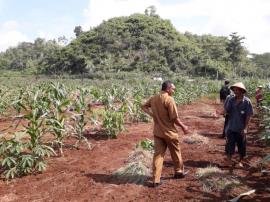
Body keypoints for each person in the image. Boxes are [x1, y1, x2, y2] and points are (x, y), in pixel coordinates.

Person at [141, 80, 189, 187]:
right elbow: (175, 118)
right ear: (168, 89)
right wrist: (184, 127)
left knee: (158, 155)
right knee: (176, 152)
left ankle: (155, 180)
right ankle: (178, 172)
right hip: (170, 132)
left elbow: (143, 106)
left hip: (158, 132)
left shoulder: (154, 98)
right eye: (173, 89)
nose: (174, 91)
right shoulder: (169, 99)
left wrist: (152, 115)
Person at [224, 82, 253, 167]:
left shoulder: (247, 102)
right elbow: (227, 110)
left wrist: (245, 128)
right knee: (229, 145)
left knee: (241, 146)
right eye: (234, 90)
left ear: (242, 91)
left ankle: (240, 161)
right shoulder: (231, 100)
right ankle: (228, 161)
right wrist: (224, 111)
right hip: (231, 127)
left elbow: (248, 115)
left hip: (241, 128)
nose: (235, 91)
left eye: (237, 90)